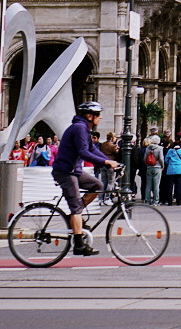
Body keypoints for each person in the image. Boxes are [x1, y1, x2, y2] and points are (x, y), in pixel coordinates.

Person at [51, 102, 119, 256]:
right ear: (89, 116)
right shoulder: (79, 128)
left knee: (98, 185)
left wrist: (110, 163)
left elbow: (92, 149)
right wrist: (105, 162)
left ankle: (74, 219)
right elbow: (84, 153)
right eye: (98, 114)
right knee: (76, 208)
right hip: (66, 171)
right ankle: (79, 244)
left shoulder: (84, 128)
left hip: (74, 170)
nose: (100, 117)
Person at [164, 136, 181, 205]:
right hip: (179, 169)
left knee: (170, 185)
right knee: (178, 185)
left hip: (171, 169)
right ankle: (178, 200)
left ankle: (169, 201)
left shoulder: (170, 151)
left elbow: (166, 160)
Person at [142, 135, 165, 205]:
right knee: (156, 185)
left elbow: (145, 158)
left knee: (148, 185)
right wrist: (162, 166)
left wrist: (147, 165)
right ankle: (155, 201)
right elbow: (161, 158)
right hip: (157, 167)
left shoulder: (148, 148)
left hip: (149, 167)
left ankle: (147, 200)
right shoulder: (160, 148)